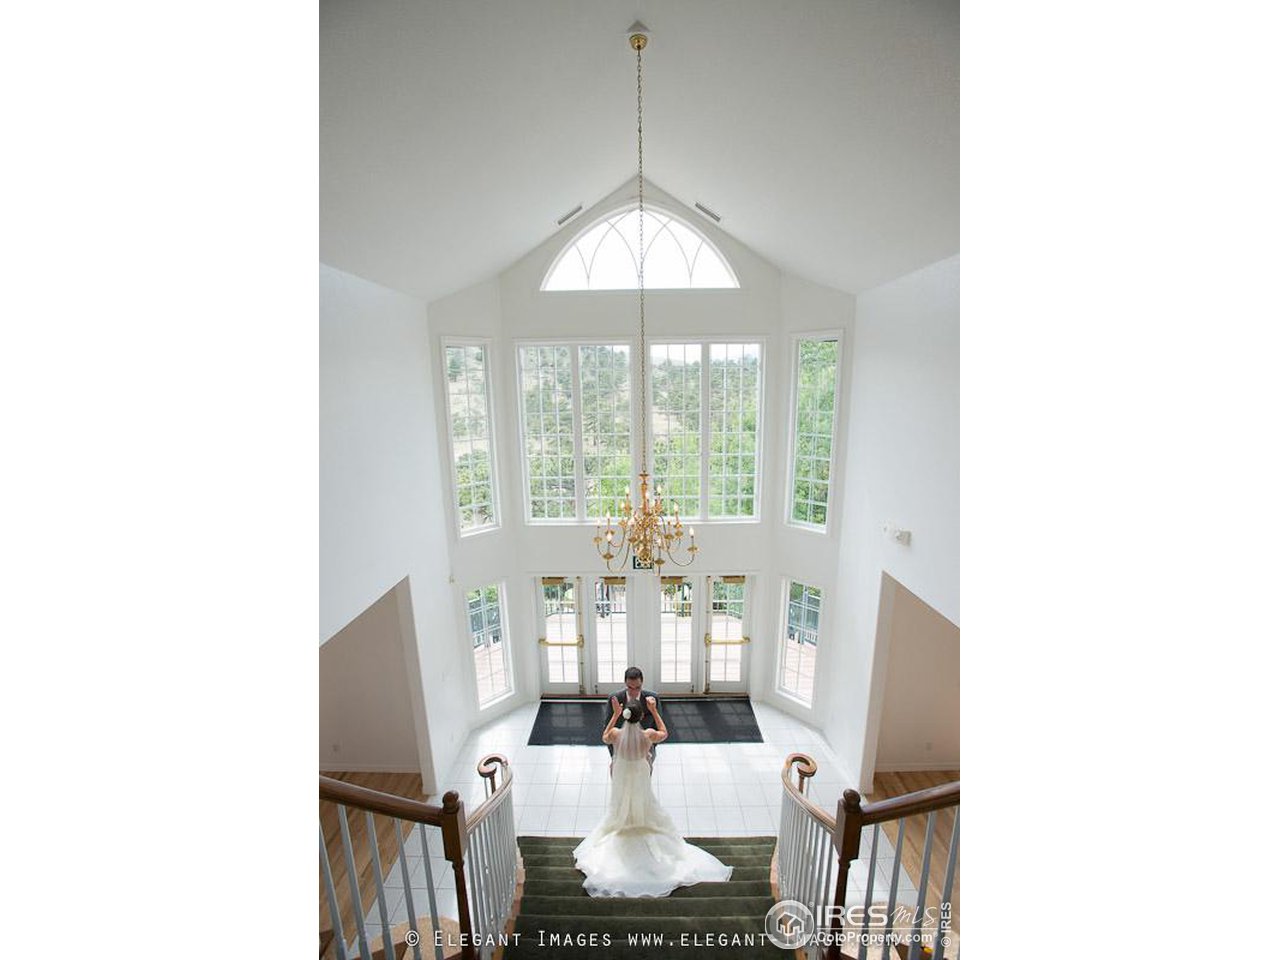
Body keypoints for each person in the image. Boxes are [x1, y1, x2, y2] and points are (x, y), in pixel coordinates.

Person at [572, 693, 733, 897]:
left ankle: (625, 824)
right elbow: (664, 733)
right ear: (640, 717)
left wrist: (614, 715)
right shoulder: (647, 735)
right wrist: (655, 711)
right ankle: (640, 823)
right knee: (643, 800)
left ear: (625, 716)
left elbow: (604, 737)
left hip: (621, 772)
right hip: (640, 772)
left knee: (622, 802)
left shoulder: (615, 734)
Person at [605, 667, 661, 771]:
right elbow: (607, 728)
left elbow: (658, 727)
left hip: (645, 754)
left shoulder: (653, 698)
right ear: (625, 683)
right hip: (621, 754)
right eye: (630, 687)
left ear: (642, 683)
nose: (634, 692)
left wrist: (649, 749)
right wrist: (614, 755)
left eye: (638, 688)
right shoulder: (615, 699)